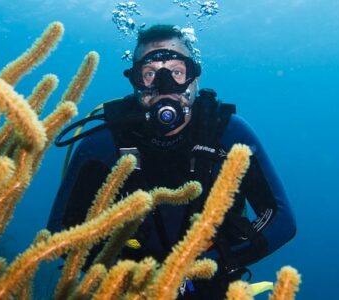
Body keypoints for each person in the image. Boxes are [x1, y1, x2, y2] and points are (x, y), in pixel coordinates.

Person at [48, 24, 296, 299]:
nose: (165, 86)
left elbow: (281, 220)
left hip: (211, 287)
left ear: (195, 79)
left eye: (177, 72)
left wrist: (208, 264)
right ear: (134, 81)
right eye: (150, 74)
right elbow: (61, 231)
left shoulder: (227, 133)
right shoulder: (104, 141)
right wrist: (129, 278)